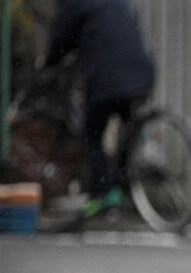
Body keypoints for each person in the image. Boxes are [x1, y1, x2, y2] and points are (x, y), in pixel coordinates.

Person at [44, 0, 155, 218]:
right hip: (141, 70)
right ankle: (136, 163)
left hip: (107, 78)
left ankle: (107, 191)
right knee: (128, 120)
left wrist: (48, 61)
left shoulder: (73, 5)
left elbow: (61, 38)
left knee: (90, 134)